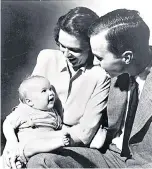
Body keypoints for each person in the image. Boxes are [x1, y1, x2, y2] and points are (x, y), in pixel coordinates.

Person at [27, 8, 152, 168]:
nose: (95, 63)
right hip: (111, 157)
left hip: (145, 164)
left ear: (127, 57)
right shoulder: (117, 71)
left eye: (99, 58)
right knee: (42, 161)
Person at [5, 7, 110, 169]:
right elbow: (26, 105)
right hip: (26, 137)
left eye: (75, 50)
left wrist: (40, 143)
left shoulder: (100, 75)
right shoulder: (47, 58)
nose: (66, 54)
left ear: (92, 46)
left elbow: (84, 134)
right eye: (61, 45)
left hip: (65, 146)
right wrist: (12, 145)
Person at [1, 75, 70, 169]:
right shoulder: (24, 110)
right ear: (29, 102)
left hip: (46, 141)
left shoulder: (53, 112)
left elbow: (60, 126)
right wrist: (12, 140)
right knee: (28, 148)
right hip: (27, 144)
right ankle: (58, 142)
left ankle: (58, 143)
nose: (51, 93)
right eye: (44, 91)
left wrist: (66, 131)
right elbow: (8, 123)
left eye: (50, 89)